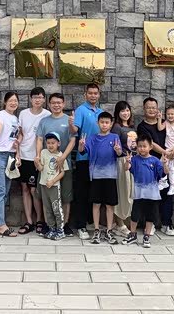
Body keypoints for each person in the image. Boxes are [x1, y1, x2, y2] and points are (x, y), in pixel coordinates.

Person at [79, 112, 123, 245]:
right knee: (96, 204)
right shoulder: (92, 138)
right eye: (102, 122)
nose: (104, 125)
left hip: (110, 175)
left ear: (111, 124)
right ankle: (97, 230)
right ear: (97, 123)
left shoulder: (114, 137)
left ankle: (109, 230)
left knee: (110, 205)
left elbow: (120, 153)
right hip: (96, 176)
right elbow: (82, 151)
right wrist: (81, 144)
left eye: (107, 122)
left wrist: (117, 150)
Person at [36, 93, 76, 237]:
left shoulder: (69, 120)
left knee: (65, 196)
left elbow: (73, 140)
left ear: (63, 104)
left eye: (59, 102)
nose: (56, 105)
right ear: (49, 104)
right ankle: (50, 225)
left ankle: (64, 225)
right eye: (53, 103)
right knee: (46, 197)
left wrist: (63, 157)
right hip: (47, 166)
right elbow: (39, 139)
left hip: (64, 165)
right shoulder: (44, 121)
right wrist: (38, 157)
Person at [122, 135, 169, 248]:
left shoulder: (155, 160)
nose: (142, 148)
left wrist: (164, 164)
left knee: (150, 216)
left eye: (144, 146)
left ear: (150, 147)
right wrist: (127, 161)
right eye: (140, 146)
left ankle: (147, 235)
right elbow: (126, 168)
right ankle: (132, 234)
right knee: (135, 215)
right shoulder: (135, 159)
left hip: (152, 195)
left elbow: (164, 173)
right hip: (138, 194)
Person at [70, 83, 103, 240]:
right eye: (90, 93)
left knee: (94, 193)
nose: (93, 95)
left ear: (99, 94)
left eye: (95, 93)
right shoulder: (81, 110)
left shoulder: (101, 113)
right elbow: (75, 130)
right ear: (85, 94)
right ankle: (80, 225)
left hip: (99, 160)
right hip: (84, 158)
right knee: (82, 193)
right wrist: (71, 124)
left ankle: (91, 222)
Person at [136, 97, 174, 236]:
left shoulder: (165, 123)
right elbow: (150, 143)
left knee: (167, 193)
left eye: (153, 107)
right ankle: (149, 224)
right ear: (144, 109)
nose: (151, 110)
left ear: (158, 109)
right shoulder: (142, 126)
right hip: (149, 164)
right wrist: (166, 152)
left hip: (165, 163)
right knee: (149, 195)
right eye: (148, 107)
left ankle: (167, 224)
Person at [17, 87, 50, 235]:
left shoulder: (47, 115)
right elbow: (20, 134)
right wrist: (17, 152)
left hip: (38, 157)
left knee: (35, 190)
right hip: (24, 155)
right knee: (25, 188)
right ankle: (29, 221)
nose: (38, 100)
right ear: (31, 99)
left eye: (40, 97)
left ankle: (40, 220)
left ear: (44, 99)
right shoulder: (23, 114)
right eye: (35, 97)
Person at [0, 91, 21, 237]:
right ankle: (1, 225)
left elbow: (15, 137)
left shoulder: (15, 119)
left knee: (5, 190)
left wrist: (17, 153)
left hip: (10, 156)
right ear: (5, 102)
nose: (13, 103)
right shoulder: (0, 115)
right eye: (11, 100)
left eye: (15, 101)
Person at [38, 132, 68, 241]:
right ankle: (51, 229)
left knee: (56, 208)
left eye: (53, 143)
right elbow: (41, 168)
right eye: (48, 143)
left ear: (58, 143)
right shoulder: (43, 152)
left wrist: (53, 181)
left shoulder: (60, 156)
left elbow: (62, 172)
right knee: (47, 208)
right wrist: (36, 163)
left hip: (54, 186)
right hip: (44, 184)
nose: (50, 145)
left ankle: (60, 230)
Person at [110, 101, 135, 236]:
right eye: (122, 111)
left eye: (127, 110)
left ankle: (125, 222)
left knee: (130, 193)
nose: (126, 113)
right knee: (122, 192)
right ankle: (119, 223)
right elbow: (115, 148)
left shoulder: (132, 127)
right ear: (117, 113)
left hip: (133, 162)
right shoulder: (117, 127)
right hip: (122, 161)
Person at [158, 104, 174, 197]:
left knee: (162, 162)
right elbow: (160, 128)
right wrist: (159, 119)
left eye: (172, 114)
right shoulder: (166, 123)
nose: (170, 116)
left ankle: (164, 180)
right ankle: (172, 184)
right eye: (168, 114)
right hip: (168, 148)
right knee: (170, 166)